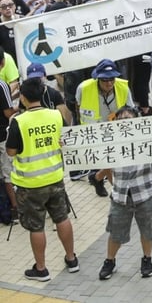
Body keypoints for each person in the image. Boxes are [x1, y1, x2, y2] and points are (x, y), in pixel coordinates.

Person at [6, 76, 79, 281]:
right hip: (55, 178)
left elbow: (11, 152)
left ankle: (41, 269)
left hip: (30, 184)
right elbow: (63, 139)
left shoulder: (19, 122)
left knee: (36, 227)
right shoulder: (55, 115)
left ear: (23, 98)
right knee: (62, 218)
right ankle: (72, 259)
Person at [96, 106, 152, 281]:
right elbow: (106, 168)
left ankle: (147, 260)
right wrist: (114, 184)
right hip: (120, 197)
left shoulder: (147, 139)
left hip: (145, 193)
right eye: (121, 120)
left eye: (129, 120)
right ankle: (110, 261)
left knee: (147, 230)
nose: (125, 123)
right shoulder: (109, 143)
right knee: (115, 231)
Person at [77, 58, 134, 197]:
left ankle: (96, 177)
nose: (109, 83)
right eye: (104, 80)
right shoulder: (83, 88)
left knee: (115, 160)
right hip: (95, 131)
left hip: (117, 130)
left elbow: (131, 110)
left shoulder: (123, 87)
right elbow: (77, 106)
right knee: (109, 159)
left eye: (112, 79)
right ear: (97, 78)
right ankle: (119, 190)